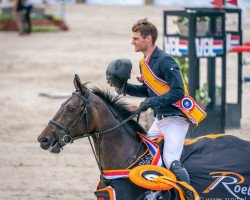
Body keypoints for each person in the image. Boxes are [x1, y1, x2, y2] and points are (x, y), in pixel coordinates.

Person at [107, 18, 195, 199]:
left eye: (135, 38)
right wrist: (126, 87)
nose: (132, 42)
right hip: (159, 120)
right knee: (142, 151)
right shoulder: (144, 62)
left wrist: (152, 103)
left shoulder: (165, 61)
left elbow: (178, 92)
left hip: (176, 120)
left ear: (148, 39)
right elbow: (149, 91)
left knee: (171, 160)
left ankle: (189, 195)